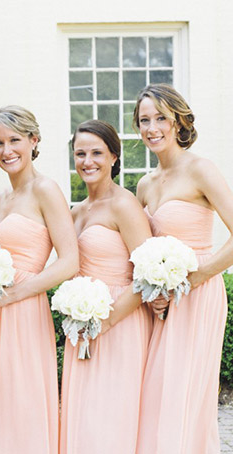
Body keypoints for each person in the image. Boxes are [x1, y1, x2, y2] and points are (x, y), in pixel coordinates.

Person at [0, 105, 78, 454]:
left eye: (14, 140)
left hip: (24, 312)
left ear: (33, 140)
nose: (6, 150)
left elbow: (69, 262)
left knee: (21, 402)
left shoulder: (46, 190)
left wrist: (14, 294)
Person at [134, 84, 233, 453]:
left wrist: (197, 277)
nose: (152, 128)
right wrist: (151, 292)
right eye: (144, 120)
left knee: (184, 392)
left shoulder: (200, 170)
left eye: (160, 118)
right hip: (162, 298)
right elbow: (139, 249)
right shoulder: (144, 185)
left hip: (199, 292)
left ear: (179, 122)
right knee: (157, 392)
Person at [59, 120, 153, 453]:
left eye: (97, 153)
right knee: (84, 415)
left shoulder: (124, 204)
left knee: (112, 416)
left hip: (120, 321)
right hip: (82, 324)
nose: (87, 161)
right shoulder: (74, 212)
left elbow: (148, 276)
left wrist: (107, 320)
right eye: (80, 154)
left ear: (114, 157)